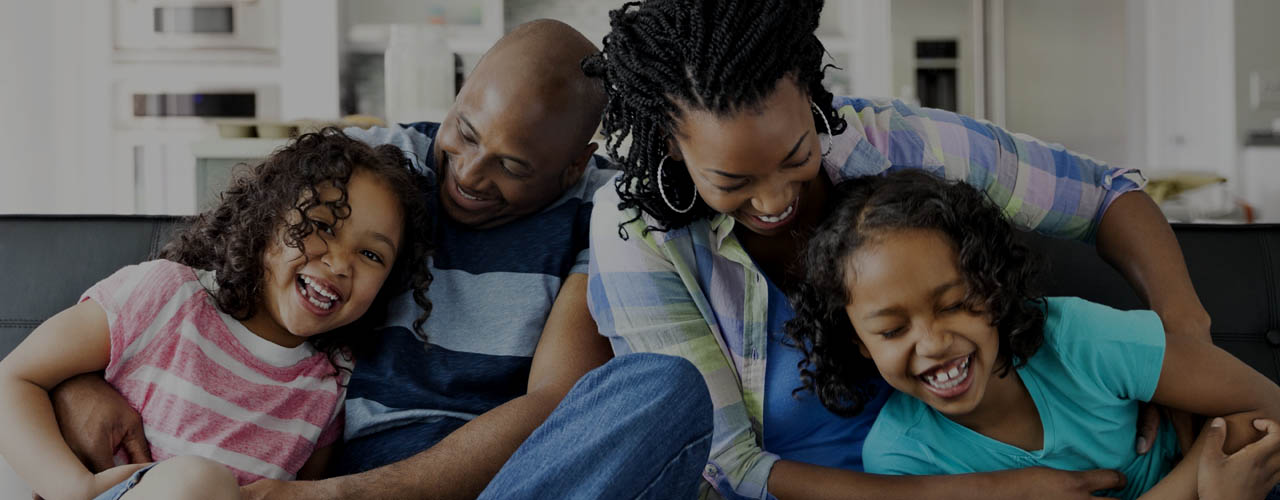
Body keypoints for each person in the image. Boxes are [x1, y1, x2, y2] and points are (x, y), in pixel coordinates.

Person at [46, 19, 711, 499]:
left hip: (507, 475)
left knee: (668, 390)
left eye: (511, 166)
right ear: (459, 94)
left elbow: (552, 404)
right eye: (465, 131)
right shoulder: (379, 164)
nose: (469, 175)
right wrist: (79, 386)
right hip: (355, 457)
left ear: (571, 169)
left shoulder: (601, 213)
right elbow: (213, 283)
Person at [583, 0, 1216, 498]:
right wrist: (989, 494)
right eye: (732, 181)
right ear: (671, 147)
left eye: (795, 156)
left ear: (808, 93)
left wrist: (1183, 345)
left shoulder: (899, 143)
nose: (776, 199)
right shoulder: (640, 233)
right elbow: (728, 464)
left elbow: (1107, 195)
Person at [785, 170, 1280, 500]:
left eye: (955, 303)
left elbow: (1266, 405)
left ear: (992, 286)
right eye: (893, 329)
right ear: (859, 344)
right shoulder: (902, 460)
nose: (933, 343)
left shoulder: (1078, 339)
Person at [0, 129, 435, 500]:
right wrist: (74, 487)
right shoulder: (167, 293)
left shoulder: (331, 381)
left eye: (370, 254)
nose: (341, 264)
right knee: (199, 481)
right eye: (321, 225)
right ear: (267, 218)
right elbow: (13, 379)